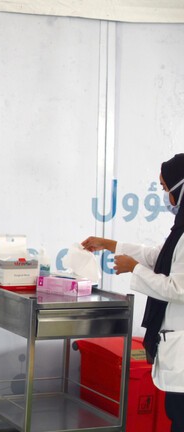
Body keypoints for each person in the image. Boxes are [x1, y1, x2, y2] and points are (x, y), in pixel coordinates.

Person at [82, 153, 184, 432]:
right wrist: (110, 245)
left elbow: (178, 288)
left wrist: (134, 268)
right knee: (176, 413)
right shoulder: (180, 231)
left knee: (180, 416)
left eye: (165, 188)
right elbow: (160, 257)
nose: (165, 196)